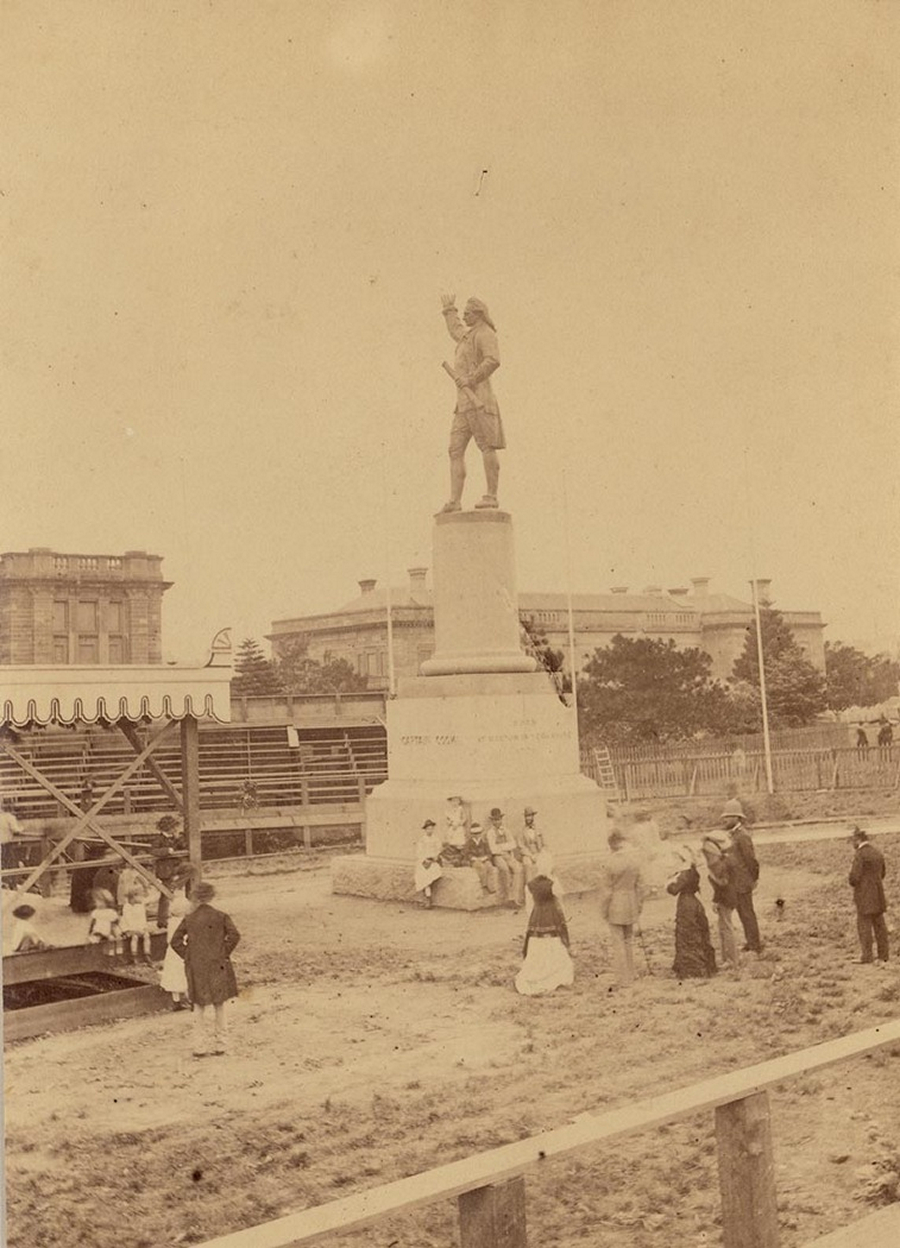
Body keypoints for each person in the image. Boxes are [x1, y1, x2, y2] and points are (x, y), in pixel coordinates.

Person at [439, 294, 505, 512]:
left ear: (478, 314)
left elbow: (493, 360)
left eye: (467, 313)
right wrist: (450, 310)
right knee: (454, 450)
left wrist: (471, 378)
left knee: (486, 446)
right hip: (463, 405)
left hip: (480, 402)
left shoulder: (485, 334)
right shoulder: (468, 337)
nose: (464, 317)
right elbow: (456, 330)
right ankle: (455, 500)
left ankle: (491, 496)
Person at [170, 881, 240, 1057]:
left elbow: (175, 941)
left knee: (198, 1005)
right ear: (211, 896)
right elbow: (234, 935)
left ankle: (199, 1046)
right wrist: (223, 952)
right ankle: (221, 1044)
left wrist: (188, 955)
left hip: (197, 966)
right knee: (219, 1004)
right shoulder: (221, 916)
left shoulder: (190, 918)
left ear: (195, 897)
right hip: (217, 964)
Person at [598, 829, 644, 986]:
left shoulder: (610, 863)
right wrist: (639, 905)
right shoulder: (634, 860)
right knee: (628, 941)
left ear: (612, 845)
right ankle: (632, 973)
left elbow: (607, 892)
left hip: (616, 904)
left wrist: (603, 910)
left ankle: (624, 979)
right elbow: (640, 885)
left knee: (618, 942)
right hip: (631, 902)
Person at [515, 875, 573, 996]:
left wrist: (534, 918)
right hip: (551, 915)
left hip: (537, 916)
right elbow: (560, 903)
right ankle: (556, 973)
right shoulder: (554, 882)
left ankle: (538, 971)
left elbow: (529, 906)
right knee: (555, 942)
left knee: (537, 944)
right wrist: (562, 919)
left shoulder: (530, 884)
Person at [667, 861, 717, 979]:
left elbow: (673, 890)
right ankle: (705, 966)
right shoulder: (691, 871)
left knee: (687, 935)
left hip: (686, 904)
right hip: (694, 902)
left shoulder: (684, 873)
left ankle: (693, 969)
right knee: (697, 933)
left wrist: (669, 880)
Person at [722, 808, 762, 953]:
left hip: (743, 881)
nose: (724, 820)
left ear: (737, 818)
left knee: (747, 913)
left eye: (727, 817)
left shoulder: (742, 836)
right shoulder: (734, 835)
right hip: (736, 882)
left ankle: (755, 945)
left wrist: (753, 878)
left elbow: (750, 860)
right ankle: (750, 942)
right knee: (742, 913)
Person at [848, 827, 889, 964]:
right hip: (878, 895)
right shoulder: (877, 852)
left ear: (858, 840)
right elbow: (883, 873)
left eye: (853, 841)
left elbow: (854, 877)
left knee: (864, 927)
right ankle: (883, 955)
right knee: (880, 927)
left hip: (864, 896)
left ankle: (867, 956)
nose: (852, 844)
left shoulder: (860, 854)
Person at [158, 863, 194, 1009]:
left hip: (171, 953)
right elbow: (185, 938)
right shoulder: (182, 922)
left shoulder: (172, 921)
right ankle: (189, 999)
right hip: (181, 952)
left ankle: (176, 1001)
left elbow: (170, 939)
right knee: (183, 975)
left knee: (173, 977)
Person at [701, 837, 739, 970]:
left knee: (726, 928)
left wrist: (716, 900)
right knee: (724, 927)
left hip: (726, 897)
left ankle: (731, 960)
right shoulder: (726, 860)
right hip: (729, 896)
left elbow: (722, 885)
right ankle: (728, 959)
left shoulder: (720, 865)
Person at [486, 807, 525, 909]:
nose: (497, 821)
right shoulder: (490, 833)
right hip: (497, 857)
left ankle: (517, 897)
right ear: (492, 821)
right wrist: (504, 847)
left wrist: (501, 847)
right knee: (505, 869)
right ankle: (508, 899)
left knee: (518, 868)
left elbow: (513, 844)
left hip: (507, 855)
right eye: (495, 820)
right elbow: (493, 849)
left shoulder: (506, 830)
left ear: (501, 819)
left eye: (499, 819)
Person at [151, 815, 185, 929]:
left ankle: (178, 885)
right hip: (165, 871)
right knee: (165, 896)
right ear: (167, 827)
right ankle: (162, 921)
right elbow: (153, 850)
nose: (175, 830)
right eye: (174, 827)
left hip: (174, 868)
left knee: (191, 870)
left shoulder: (174, 838)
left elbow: (183, 846)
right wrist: (166, 851)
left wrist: (178, 838)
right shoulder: (159, 839)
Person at [413, 819, 445, 906]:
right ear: (425, 830)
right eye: (428, 829)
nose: (430, 830)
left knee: (431, 873)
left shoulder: (436, 839)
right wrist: (424, 859)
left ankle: (428, 898)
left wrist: (435, 857)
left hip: (433, 861)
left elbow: (439, 850)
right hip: (424, 861)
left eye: (431, 829)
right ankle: (426, 898)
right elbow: (419, 852)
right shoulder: (422, 840)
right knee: (421, 874)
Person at [461, 822, 498, 894]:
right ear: (472, 834)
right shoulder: (469, 843)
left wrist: (485, 858)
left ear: (481, 833)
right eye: (475, 834)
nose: (477, 835)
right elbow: (466, 853)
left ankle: (492, 887)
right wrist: (474, 858)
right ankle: (484, 886)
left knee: (490, 867)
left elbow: (489, 853)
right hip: (475, 861)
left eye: (478, 833)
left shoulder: (484, 842)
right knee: (481, 867)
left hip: (484, 859)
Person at [120, 885, 152, 964]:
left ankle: (147, 953)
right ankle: (134, 955)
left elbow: (142, 919)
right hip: (129, 928)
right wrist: (134, 930)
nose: (142, 899)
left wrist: (144, 928)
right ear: (134, 896)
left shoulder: (140, 906)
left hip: (139, 927)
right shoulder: (127, 907)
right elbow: (128, 920)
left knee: (146, 935)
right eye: (141, 896)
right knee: (134, 937)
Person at [87, 888, 122, 956]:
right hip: (98, 931)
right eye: (95, 901)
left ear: (106, 901)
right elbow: (93, 923)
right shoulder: (96, 912)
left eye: (98, 901)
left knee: (112, 938)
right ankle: (96, 951)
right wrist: (90, 932)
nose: (96, 903)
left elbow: (114, 923)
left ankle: (113, 952)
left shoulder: (110, 912)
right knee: (95, 939)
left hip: (107, 931)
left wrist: (115, 931)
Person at [517, 807, 544, 889]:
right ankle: (530, 891)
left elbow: (544, 843)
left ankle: (542, 892)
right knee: (527, 865)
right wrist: (531, 855)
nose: (528, 818)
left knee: (543, 864)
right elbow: (521, 846)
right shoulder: (521, 831)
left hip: (538, 852)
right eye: (526, 816)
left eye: (530, 816)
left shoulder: (538, 829)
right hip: (527, 854)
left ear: (533, 817)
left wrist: (541, 853)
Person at [0, 798, 25, 881]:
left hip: (2, 843)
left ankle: (5, 882)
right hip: (6, 844)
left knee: (3, 863)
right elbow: (16, 830)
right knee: (10, 863)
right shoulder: (10, 817)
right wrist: (22, 828)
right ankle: (11, 882)